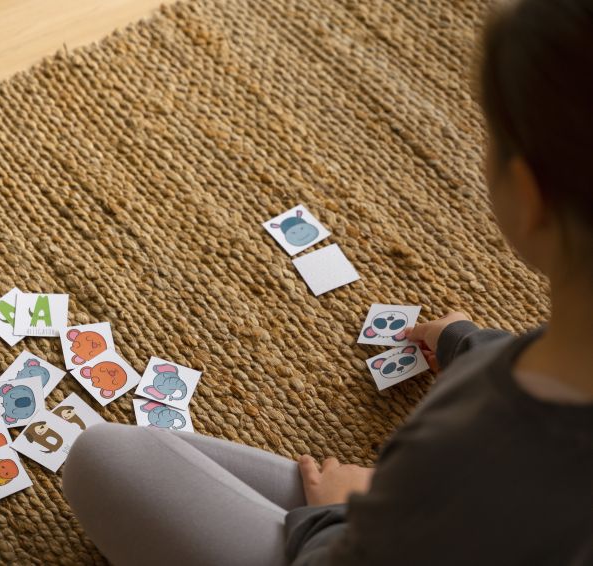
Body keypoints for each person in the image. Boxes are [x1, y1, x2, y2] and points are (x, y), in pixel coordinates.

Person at [62, 0, 593, 563]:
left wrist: (343, 514)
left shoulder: (465, 436)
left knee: (101, 458)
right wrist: (470, 344)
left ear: (529, 195)